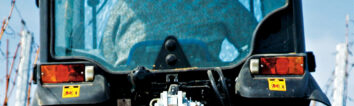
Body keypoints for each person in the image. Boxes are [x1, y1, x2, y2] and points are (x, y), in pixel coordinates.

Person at [100, 0, 258, 70]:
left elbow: (107, 58)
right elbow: (257, 43)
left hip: (131, 89)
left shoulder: (124, 6)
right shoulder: (219, 3)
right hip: (210, 90)